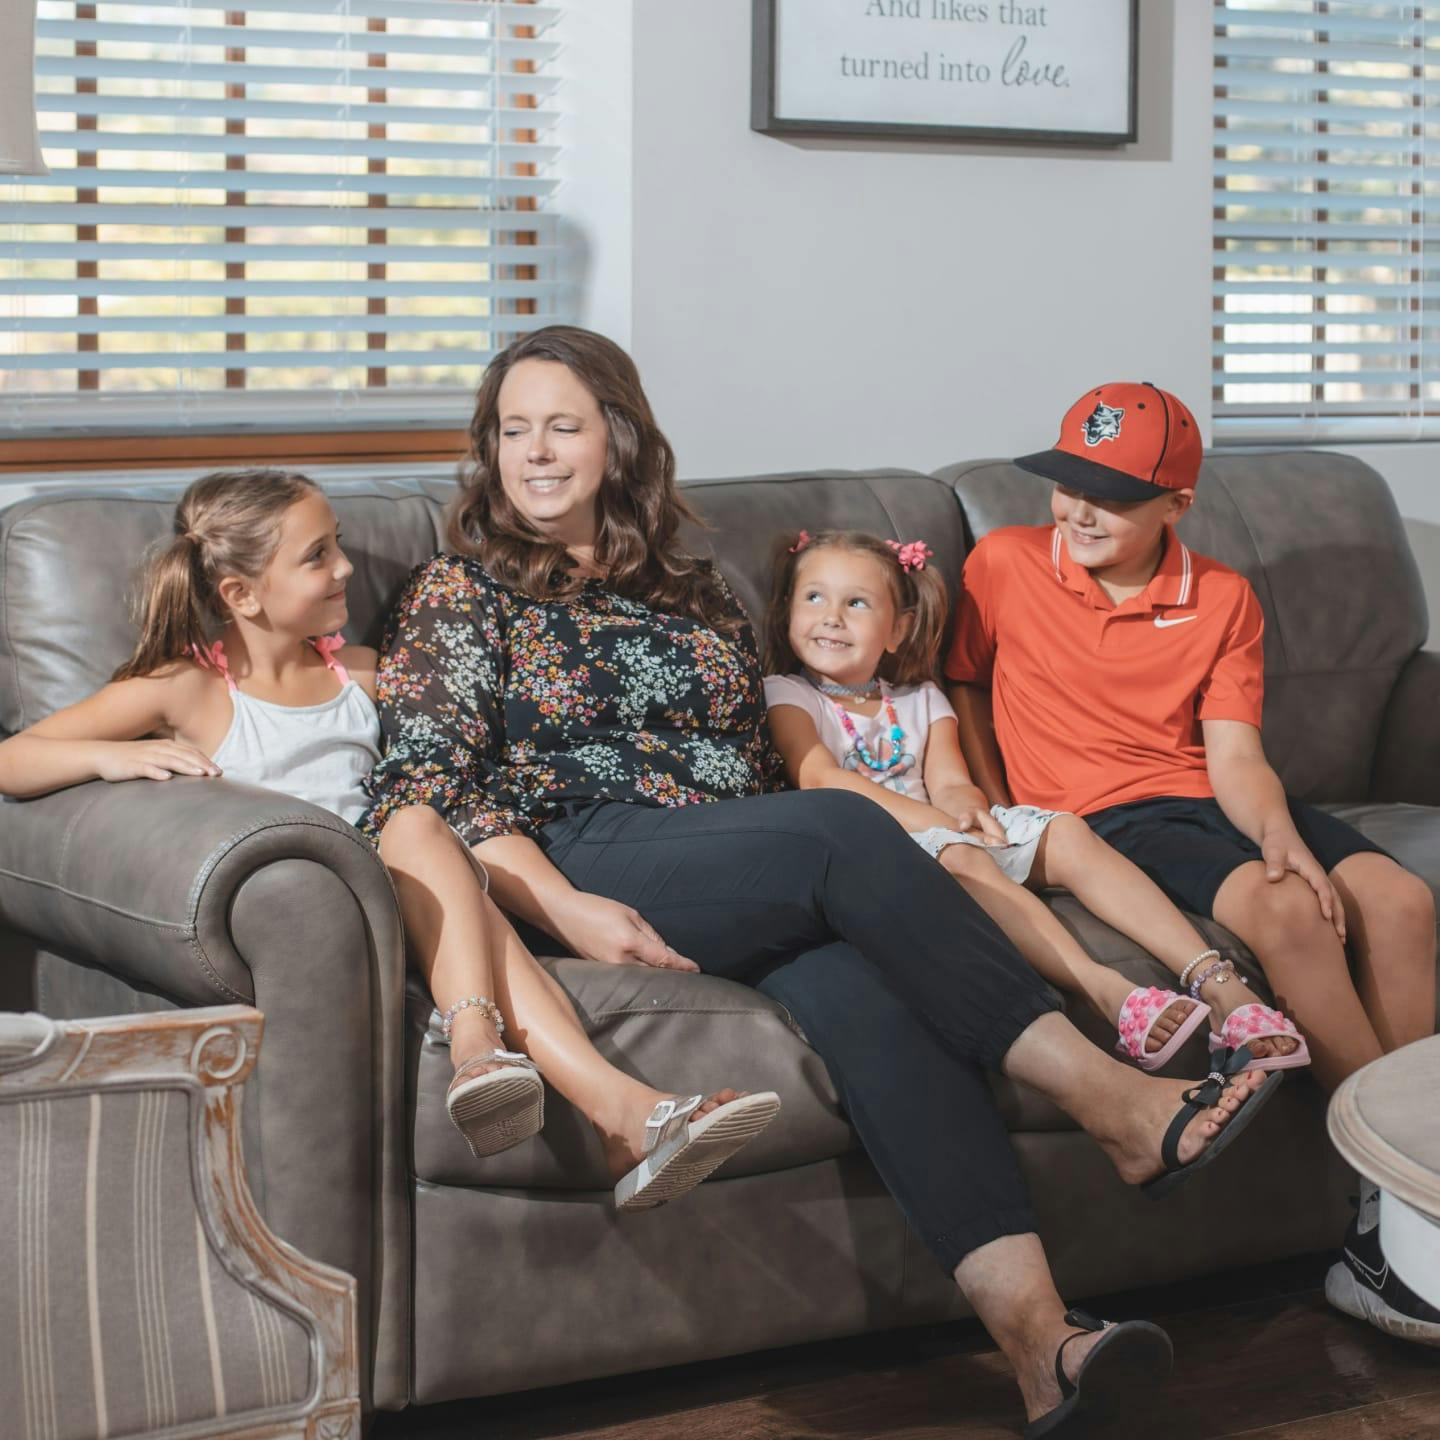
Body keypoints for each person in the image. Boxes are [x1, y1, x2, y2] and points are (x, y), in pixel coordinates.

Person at [362, 325, 1283, 1438]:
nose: (537, 453)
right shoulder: (460, 591)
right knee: (842, 828)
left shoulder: (690, 585)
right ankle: (1112, 1100)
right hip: (581, 850)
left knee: (875, 1003)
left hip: (733, 858)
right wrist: (563, 904)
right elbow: (425, 787)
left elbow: (760, 755)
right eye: (515, 430)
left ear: (618, 438)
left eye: (563, 426)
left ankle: (1047, 1350)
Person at [0, 467, 780, 1212]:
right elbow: (14, 758)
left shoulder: (363, 673)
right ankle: (488, 1051)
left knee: (427, 838)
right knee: (417, 831)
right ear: (241, 594)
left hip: (418, 884)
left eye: (338, 543)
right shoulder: (187, 688)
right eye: (317, 556)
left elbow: (444, 763)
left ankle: (619, 1116)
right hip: (325, 909)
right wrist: (111, 755)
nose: (345, 568)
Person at [945, 380, 1438, 1347]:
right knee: (1290, 914)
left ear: (1176, 504)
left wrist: (1278, 832)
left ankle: (1400, 1196)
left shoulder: (1221, 595)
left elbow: (1235, 756)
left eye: (1113, 497)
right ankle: (1406, 1205)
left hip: (1208, 794)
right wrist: (1000, 804)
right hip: (1108, 814)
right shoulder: (1003, 562)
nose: (1079, 511)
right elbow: (962, 683)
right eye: (1067, 485)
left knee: (1401, 899)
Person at [763, 527, 1308, 1072]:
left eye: (856, 603)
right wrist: (942, 826)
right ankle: (1109, 992)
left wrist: (967, 809)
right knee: (962, 858)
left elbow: (950, 780)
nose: (831, 616)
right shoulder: (787, 693)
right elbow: (823, 779)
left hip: (947, 831)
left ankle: (1220, 985)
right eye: (814, 597)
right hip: (877, 856)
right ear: (788, 610)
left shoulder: (921, 699)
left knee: (1066, 831)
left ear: (899, 630)